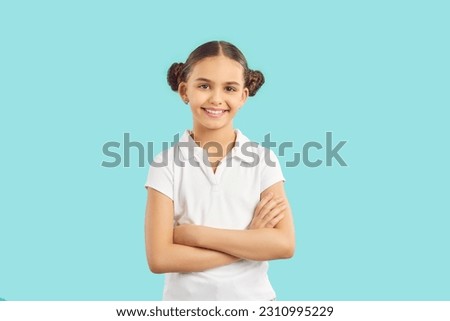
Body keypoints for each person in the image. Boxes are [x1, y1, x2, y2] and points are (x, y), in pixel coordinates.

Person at [144, 40, 295, 300]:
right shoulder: (165, 164)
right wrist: (250, 242)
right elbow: (159, 258)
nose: (216, 99)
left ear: (243, 96)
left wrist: (195, 235)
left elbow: (283, 245)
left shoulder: (263, 161)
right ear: (184, 91)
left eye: (229, 88)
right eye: (204, 86)